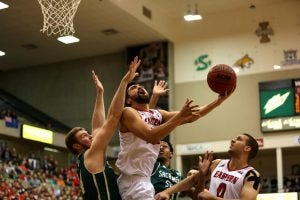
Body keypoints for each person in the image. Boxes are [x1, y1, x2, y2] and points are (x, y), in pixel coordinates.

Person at [116, 79, 233, 200]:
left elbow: (191, 116)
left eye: (140, 85)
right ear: (128, 100)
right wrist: (179, 117)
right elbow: (152, 136)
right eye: (133, 87)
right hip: (132, 179)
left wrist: (218, 102)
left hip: (143, 179)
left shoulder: (157, 114)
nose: (138, 86)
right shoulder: (128, 112)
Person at [65, 56, 141, 200]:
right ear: (77, 146)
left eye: (86, 133)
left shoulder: (87, 158)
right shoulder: (91, 154)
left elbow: (98, 127)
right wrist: (124, 82)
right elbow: (113, 117)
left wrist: (100, 93)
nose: (90, 135)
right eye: (83, 136)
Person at [155, 133, 261, 200]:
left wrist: (213, 199)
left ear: (247, 148)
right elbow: (192, 181)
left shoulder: (252, 175)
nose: (233, 140)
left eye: (238, 139)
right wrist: (166, 192)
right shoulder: (217, 163)